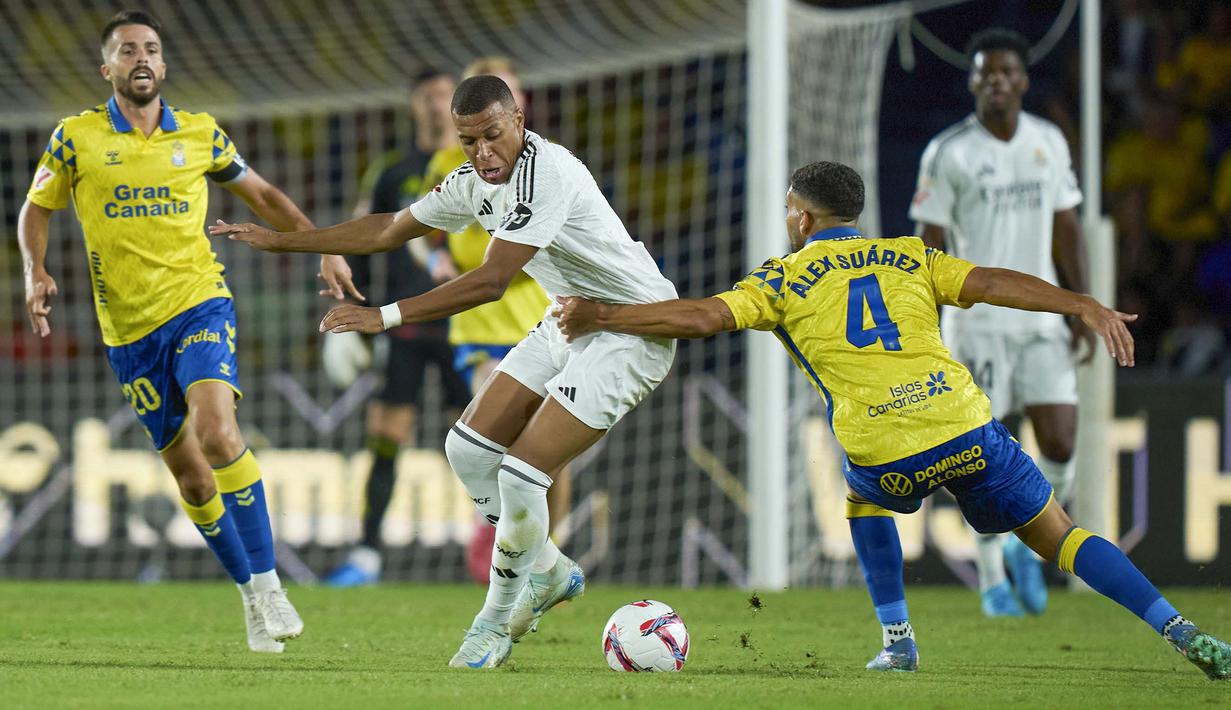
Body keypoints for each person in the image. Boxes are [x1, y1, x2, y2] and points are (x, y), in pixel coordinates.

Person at [553, 160, 1231, 680]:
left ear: (801, 218)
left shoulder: (782, 278)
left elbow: (701, 317)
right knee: (1057, 533)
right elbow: (993, 282)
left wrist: (602, 314)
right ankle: (1177, 629)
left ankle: (897, 643)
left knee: (861, 499)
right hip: (962, 423)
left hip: (884, 448)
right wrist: (1081, 302)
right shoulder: (910, 255)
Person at [211, 75, 678, 669]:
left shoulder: (547, 173)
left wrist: (384, 316)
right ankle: (548, 568)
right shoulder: (473, 182)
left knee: (521, 472)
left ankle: (494, 622)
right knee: (466, 451)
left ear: (518, 121)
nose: (482, 153)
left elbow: (490, 281)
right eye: (468, 142)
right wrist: (285, 242)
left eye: (492, 136)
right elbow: (386, 227)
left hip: (633, 332)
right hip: (569, 320)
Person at [15, 10, 358, 652]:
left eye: (151, 48)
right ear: (107, 68)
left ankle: (271, 584)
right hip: (127, 332)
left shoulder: (200, 134)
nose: (140, 58)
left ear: (164, 65)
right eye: (126, 50)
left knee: (219, 432)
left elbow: (263, 193)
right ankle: (251, 596)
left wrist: (324, 244)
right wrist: (35, 270)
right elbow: (36, 208)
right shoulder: (75, 138)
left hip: (200, 303)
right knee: (194, 480)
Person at [909, 28, 1091, 617]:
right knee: (987, 454)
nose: (997, 82)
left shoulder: (1048, 141)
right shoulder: (948, 152)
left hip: (1039, 321)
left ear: (1024, 79)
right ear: (972, 81)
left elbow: (1068, 225)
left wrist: (1079, 303)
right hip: (978, 324)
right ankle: (991, 580)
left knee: (1061, 438)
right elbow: (928, 244)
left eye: (1007, 72)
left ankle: (1024, 552)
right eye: (986, 73)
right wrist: (926, 325)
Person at [322, 68, 472, 587]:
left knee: (484, 442)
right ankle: (366, 554)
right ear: (413, 105)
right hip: (405, 328)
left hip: (464, 327)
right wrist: (353, 314)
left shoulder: (478, 167)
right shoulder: (392, 171)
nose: (435, 106)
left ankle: (503, 552)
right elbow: (361, 239)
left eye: (443, 97)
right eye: (426, 97)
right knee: (386, 437)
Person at [419, 57, 560, 584]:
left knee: (545, 454)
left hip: (537, 322)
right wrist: (434, 260)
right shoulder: (450, 167)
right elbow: (425, 228)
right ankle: (508, 546)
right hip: (480, 324)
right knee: (497, 443)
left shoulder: (548, 169)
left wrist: (507, 269)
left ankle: (543, 551)